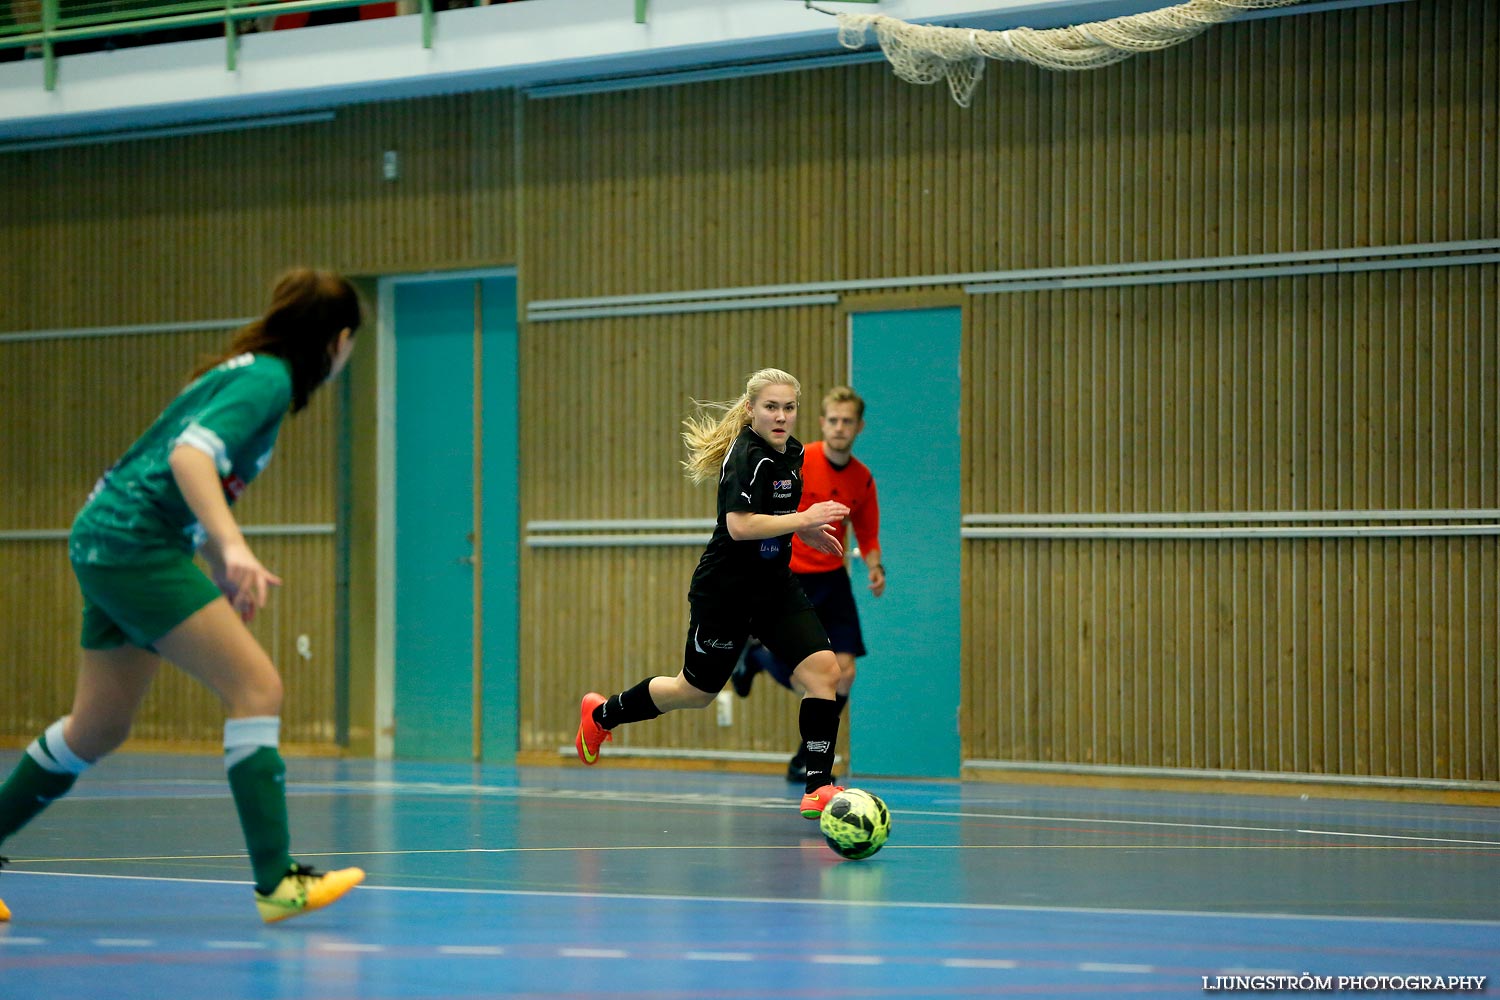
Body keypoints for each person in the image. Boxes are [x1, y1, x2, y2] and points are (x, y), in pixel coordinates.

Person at [0, 268, 366, 924]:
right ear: (338, 340)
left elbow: (176, 478)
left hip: (112, 536)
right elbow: (189, 460)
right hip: (134, 542)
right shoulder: (268, 381)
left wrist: (216, 555)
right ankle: (277, 882)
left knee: (99, 726)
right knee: (258, 689)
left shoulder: (239, 370)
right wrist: (232, 549)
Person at [574, 368, 854, 818]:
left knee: (826, 672)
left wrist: (804, 530)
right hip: (726, 592)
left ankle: (817, 786)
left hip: (774, 586)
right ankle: (602, 714)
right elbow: (740, 526)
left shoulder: (793, 452)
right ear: (751, 409)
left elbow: (774, 511)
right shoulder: (746, 455)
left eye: (789, 407)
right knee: (696, 691)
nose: (781, 416)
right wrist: (802, 520)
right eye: (771, 406)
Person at [729, 385, 885, 784]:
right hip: (791, 575)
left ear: (858, 427)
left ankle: (806, 757)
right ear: (822, 422)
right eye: (832, 420)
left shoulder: (862, 479)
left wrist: (874, 566)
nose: (839, 427)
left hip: (833, 581)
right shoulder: (800, 459)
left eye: (847, 422)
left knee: (844, 674)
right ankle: (759, 658)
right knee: (808, 676)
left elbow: (866, 531)